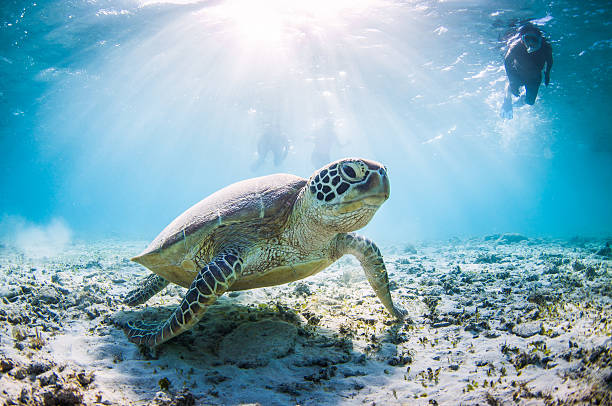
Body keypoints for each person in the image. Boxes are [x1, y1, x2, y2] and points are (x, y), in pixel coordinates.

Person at [500, 23, 553, 119]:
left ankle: (517, 103)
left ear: (540, 40)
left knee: (530, 102)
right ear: (522, 38)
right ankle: (507, 101)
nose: (530, 43)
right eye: (527, 39)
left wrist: (547, 73)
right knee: (512, 85)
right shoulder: (515, 46)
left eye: (534, 40)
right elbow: (507, 63)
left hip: (534, 78)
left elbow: (550, 61)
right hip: (518, 73)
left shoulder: (546, 47)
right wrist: (511, 81)